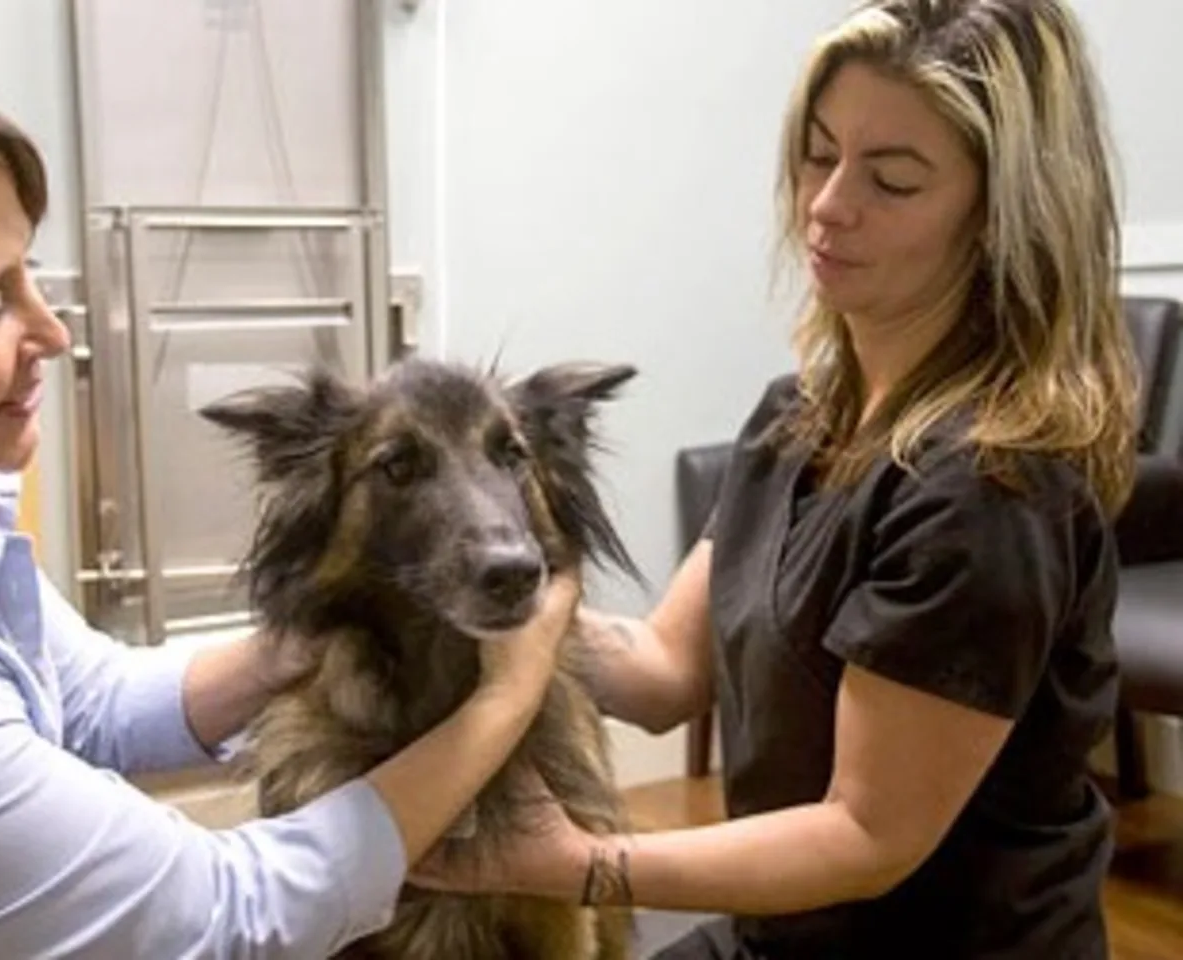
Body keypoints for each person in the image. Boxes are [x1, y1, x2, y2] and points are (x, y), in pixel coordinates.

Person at [0, 29, 581, 959]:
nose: (53, 333)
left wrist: (303, 637)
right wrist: (506, 697)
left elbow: (83, 704)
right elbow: (224, 921)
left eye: (29, 276)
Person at [410, 1, 1138, 958]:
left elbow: (864, 837)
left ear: (1004, 216)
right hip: (786, 938)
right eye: (818, 153)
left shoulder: (991, 489)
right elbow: (669, 672)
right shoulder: (799, 416)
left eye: (894, 179)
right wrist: (468, 595)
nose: (829, 204)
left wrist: (575, 861)